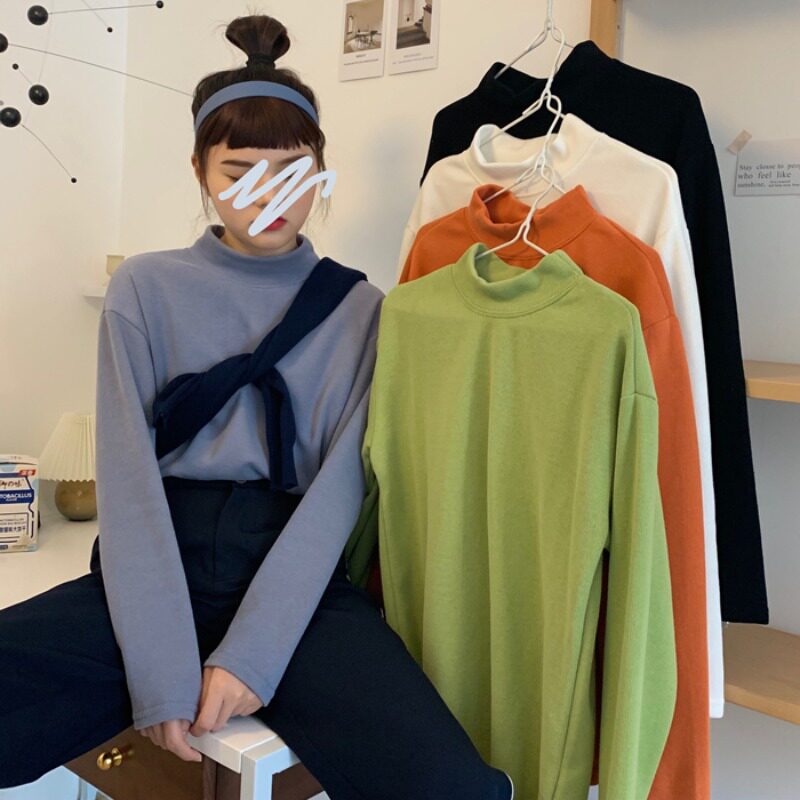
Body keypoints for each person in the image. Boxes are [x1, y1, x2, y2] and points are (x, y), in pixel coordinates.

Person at [0, 13, 514, 800]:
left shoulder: (363, 311)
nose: (266, 195)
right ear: (200, 171)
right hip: (155, 562)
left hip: (291, 573)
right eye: (238, 169)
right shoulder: (145, 288)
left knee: (452, 784)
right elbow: (130, 484)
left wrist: (252, 656)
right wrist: (161, 670)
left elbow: (338, 491)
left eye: (291, 170)